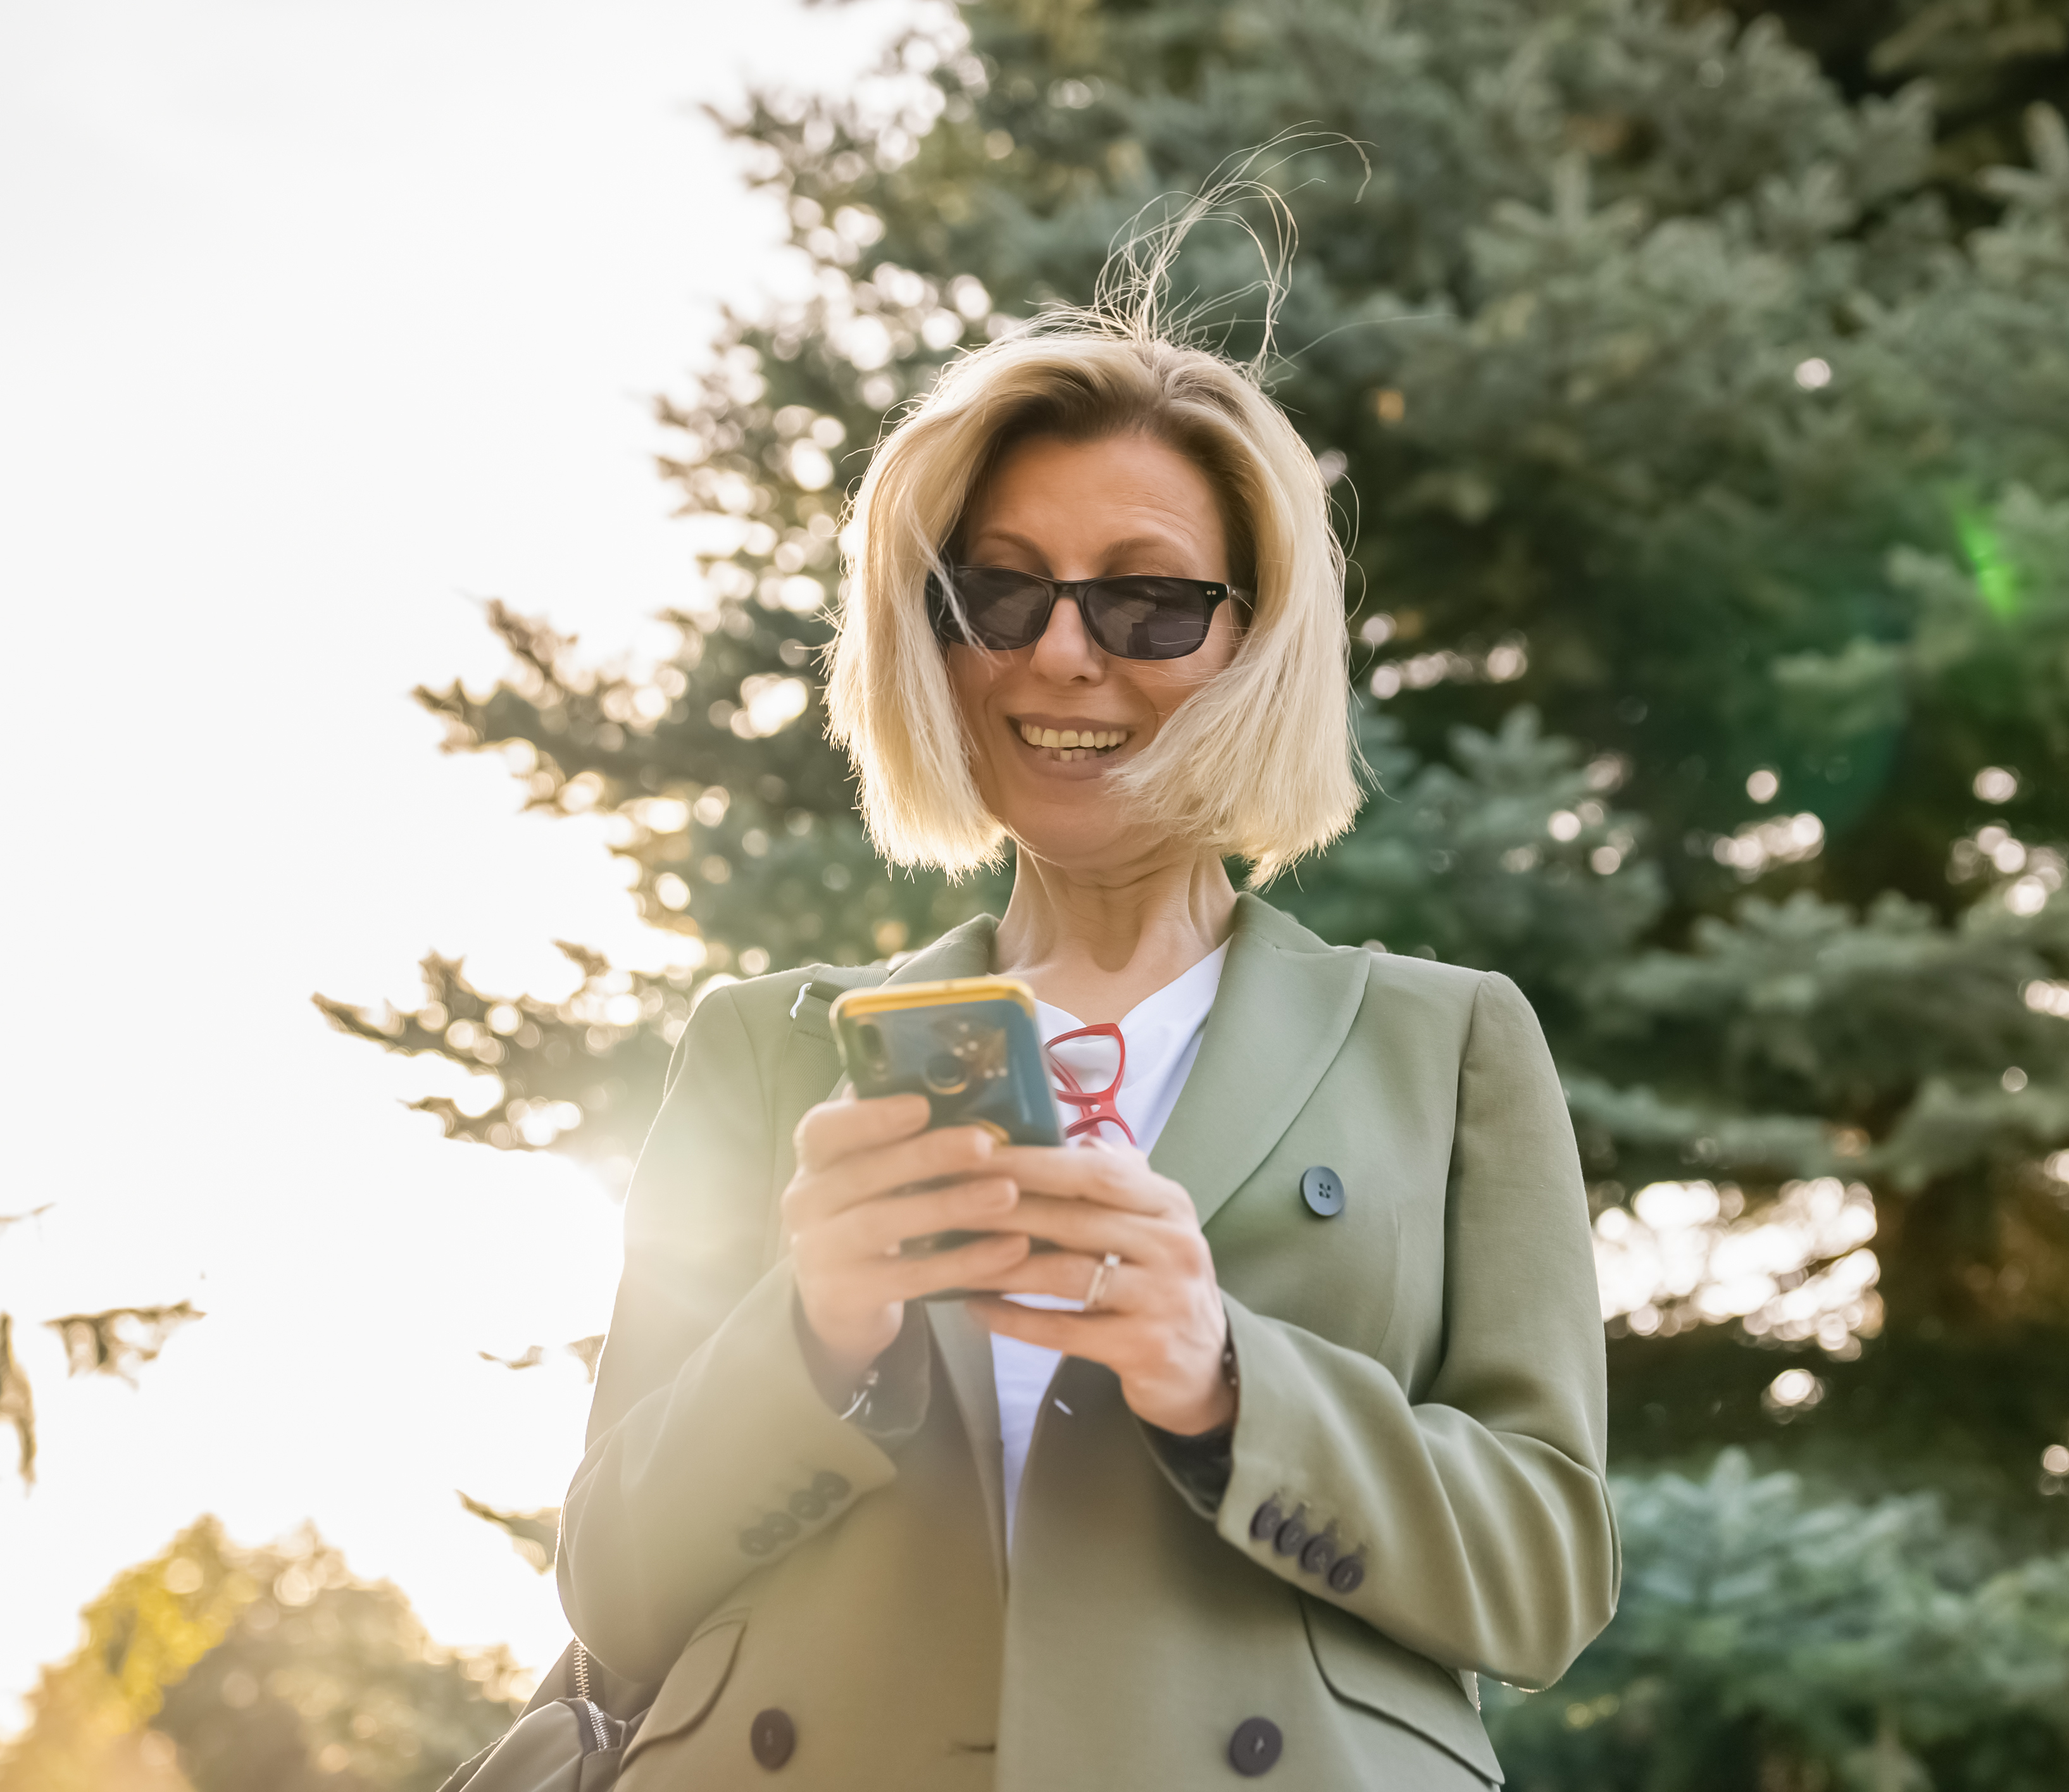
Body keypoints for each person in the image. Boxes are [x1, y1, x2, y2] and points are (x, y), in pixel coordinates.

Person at [555, 309, 1616, 1789]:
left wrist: (1228, 1375)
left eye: (1147, 606)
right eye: (996, 595)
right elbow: (610, 1584)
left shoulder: (1446, 1045)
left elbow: (1547, 1573)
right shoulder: (763, 1050)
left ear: (1254, 641)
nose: (1058, 655)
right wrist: (817, 1336)